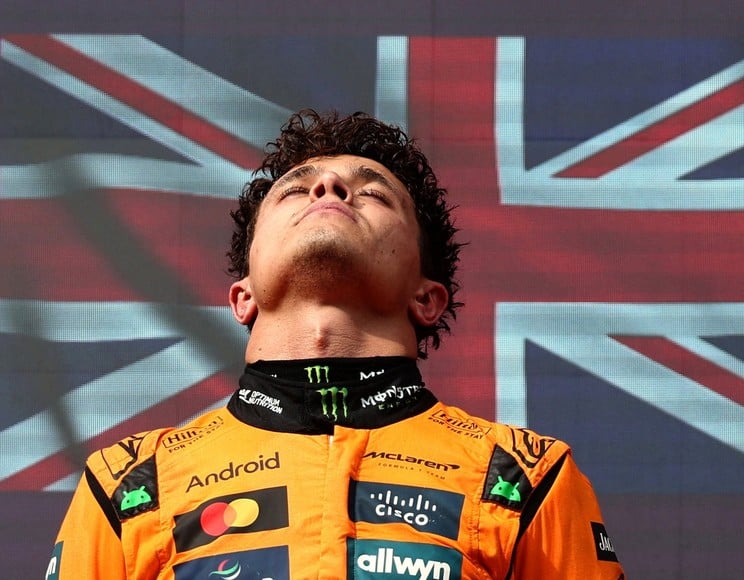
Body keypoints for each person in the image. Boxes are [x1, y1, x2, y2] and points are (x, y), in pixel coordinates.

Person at [48, 110, 625, 579]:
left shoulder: (529, 478)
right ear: (242, 295)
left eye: (373, 194)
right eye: (294, 190)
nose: (329, 187)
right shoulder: (127, 484)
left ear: (427, 298)